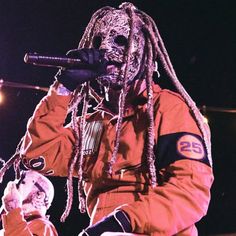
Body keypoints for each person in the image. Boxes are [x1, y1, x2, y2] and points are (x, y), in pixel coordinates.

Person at [15, 2, 213, 235]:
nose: (106, 49)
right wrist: (63, 88)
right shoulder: (92, 125)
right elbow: (37, 155)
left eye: (119, 41)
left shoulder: (168, 109)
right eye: (98, 42)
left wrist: (123, 220)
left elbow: (190, 190)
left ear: (142, 51)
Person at [0, 170, 58, 236]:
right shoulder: (7, 227)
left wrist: (14, 211)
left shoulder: (45, 226)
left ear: (39, 196)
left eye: (22, 182)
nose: (15, 184)